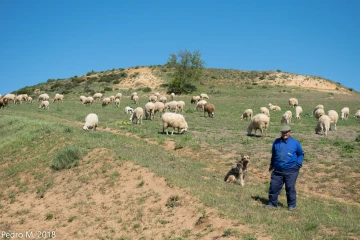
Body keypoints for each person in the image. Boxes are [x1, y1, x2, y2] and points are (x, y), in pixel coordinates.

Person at [265, 125, 304, 211]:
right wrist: (271, 165)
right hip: (277, 170)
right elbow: (274, 155)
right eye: (283, 132)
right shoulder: (276, 142)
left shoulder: (295, 143)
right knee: (274, 187)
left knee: (290, 188)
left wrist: (298, 164)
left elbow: (301, 154)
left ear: (290, 132)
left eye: (286, 132)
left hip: (291, 170)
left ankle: (291, 206)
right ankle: (272, 203)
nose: (284, 134)